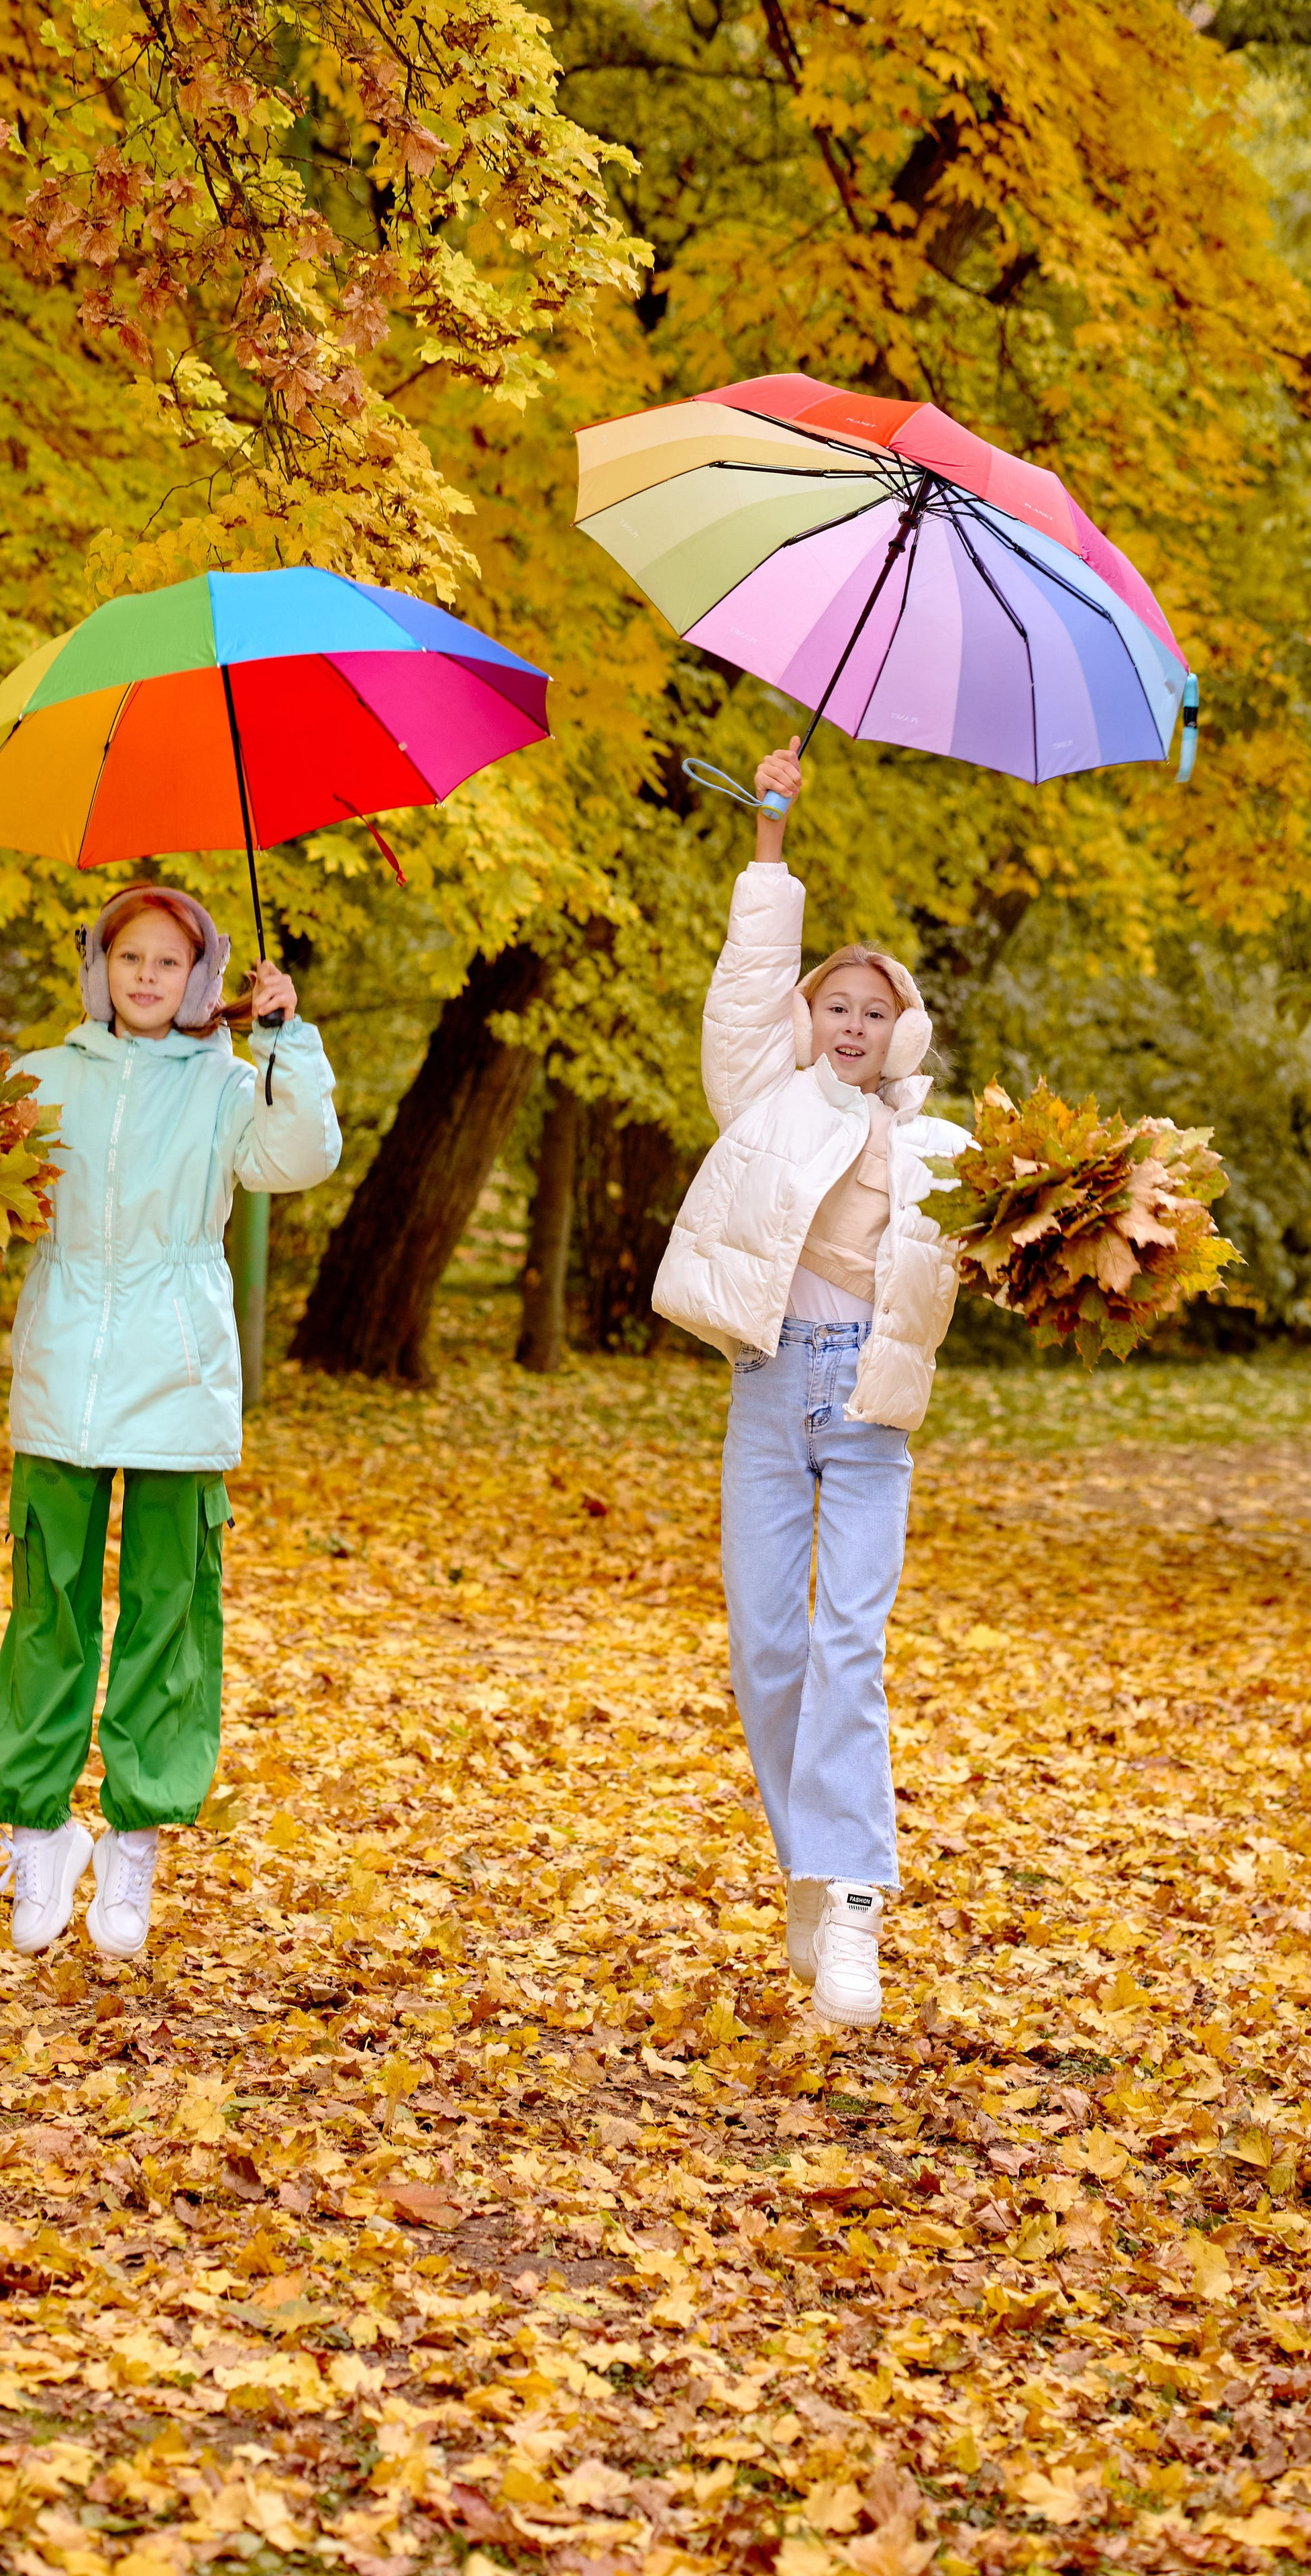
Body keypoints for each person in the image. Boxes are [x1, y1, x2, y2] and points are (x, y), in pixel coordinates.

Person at [0, 888, 341, 1960]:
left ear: (203, 978)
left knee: (168, 1617)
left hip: (179, 1378)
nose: (146, 976)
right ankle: (40, 1829)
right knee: (48, 1606)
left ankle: (134, 1841)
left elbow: (302, 1158)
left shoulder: (234, 1086)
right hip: (61, 1376)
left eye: (170, 962)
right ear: (99, 968)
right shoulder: (40, 1079)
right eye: (128, 955)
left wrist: (289, 1041)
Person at [653, 740, 969, 2030]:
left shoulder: (939, 1143)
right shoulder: (764, 1100)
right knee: (768, 1648)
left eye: (873, 1010)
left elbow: (996, 1256)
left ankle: (853, 1907)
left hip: (870, 1406)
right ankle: (808, 1854)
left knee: (851, 1647)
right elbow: (743, 992)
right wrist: (771, 835)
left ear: (905, 1030)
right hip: (770, 1388)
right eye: (834, 1004)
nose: (851, 1022)